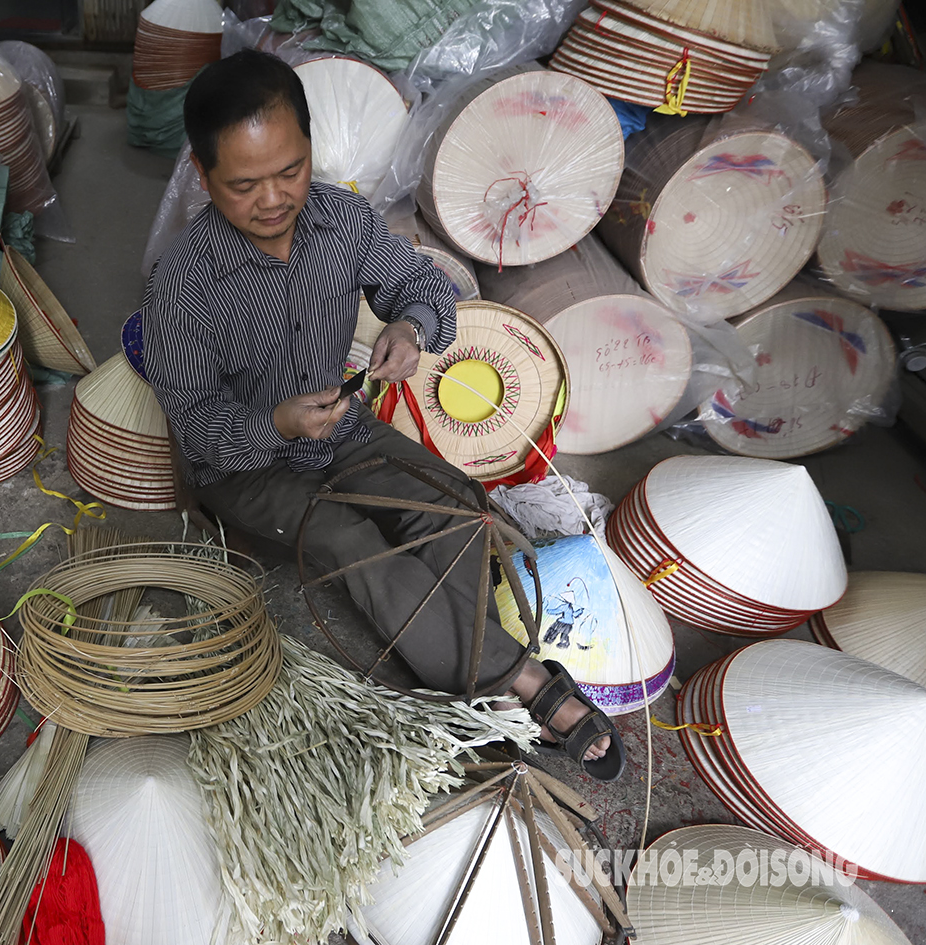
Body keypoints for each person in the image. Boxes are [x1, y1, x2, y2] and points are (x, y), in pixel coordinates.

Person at [141, 50, 623, 780]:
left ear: (309, 150)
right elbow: (199, 426)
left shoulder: (341, 219)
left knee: (453, 506)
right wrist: (274, 423)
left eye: (290, 170)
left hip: (343, 425)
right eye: (242, 185)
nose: (272, 198)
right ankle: (522, 680)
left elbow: (421, 287)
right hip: (244, 462)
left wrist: (410, 328)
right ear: (203, 178)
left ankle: (470, 675)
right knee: (347, 535)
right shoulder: (180, 285)